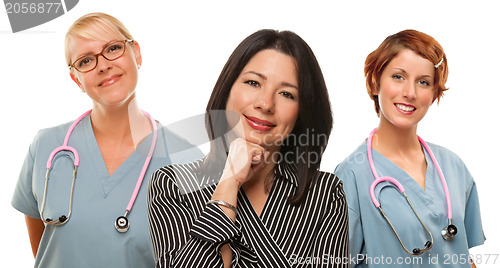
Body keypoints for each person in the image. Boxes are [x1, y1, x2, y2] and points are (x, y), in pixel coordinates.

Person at [11, 12, 203, 267]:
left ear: (137, 54)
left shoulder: (188, 160)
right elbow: (47, 249)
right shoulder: (46, 147)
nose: (103, 65)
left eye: (113, 48)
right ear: (76, 79)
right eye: (85, 60)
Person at [148, 29, 349, 267]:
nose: (265, 103)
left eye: (287, 94)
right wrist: (228, 184)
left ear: (302, 113)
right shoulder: (173, 184)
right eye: (253, 83)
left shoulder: (325, 194)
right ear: (227, 90)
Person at [335, 29, 485, 267]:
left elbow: (461, 254)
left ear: (434, 93)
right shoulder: (350, 175)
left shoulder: (453, 166)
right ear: (375, 83)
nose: (410, 93)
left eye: (423, 82)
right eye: (398, 77)